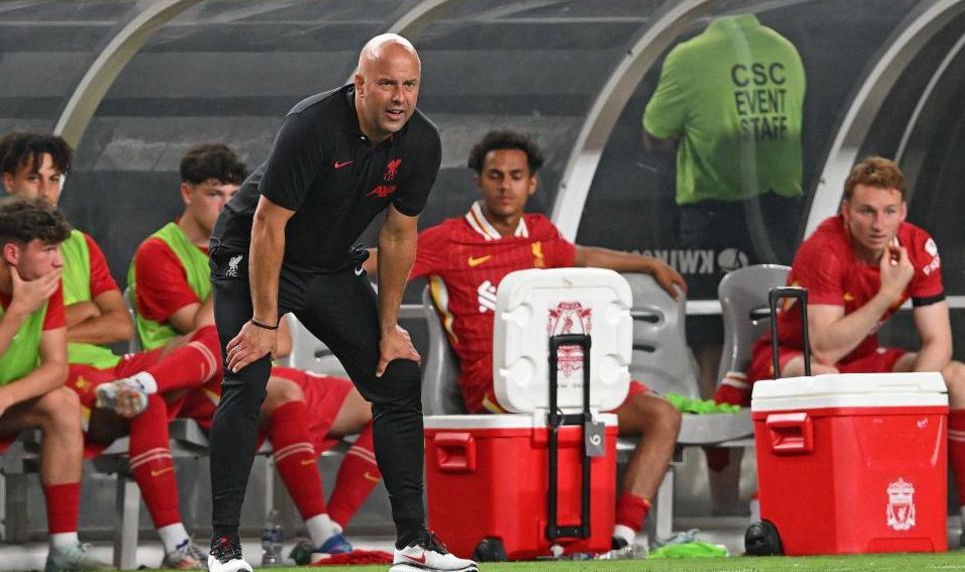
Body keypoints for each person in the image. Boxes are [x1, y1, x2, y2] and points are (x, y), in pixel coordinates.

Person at [206, 34, 474, 572]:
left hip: (327, 265)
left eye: (409, 85)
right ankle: (225, 547)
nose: (399, 97)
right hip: (253, 252)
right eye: (386, 84)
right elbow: (267, 223)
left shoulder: (421, 142)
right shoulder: (311, 125)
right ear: (360, 84)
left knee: (396, 374)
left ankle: (414, 545)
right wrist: (263, 320)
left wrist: (390, 324)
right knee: (249, 375)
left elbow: (399, 235)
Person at [364, 130, 686, 551]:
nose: (505, 185)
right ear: (478, 180)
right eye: (495, 175)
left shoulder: (540, 234)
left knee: (663, 415)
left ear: (531, 183)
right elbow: (382, 261)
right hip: (497, 385)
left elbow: (583, 256)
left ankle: (621, 537)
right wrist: (311, 263)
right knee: (558, 424)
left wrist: (647, 264)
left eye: (516, 176)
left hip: (565, 378)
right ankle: (541, 531)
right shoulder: (449, 240)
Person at [719, 156, 965, 551]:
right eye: (866, 211)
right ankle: (840, 515)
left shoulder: (918, 245)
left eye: (889, 211)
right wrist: (886, 293)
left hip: (861, 360)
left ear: (903, 212)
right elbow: (824, 346)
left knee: (957, 376)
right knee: (830, 380)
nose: (879, 224)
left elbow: (939, 341)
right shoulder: (823, 249)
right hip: (794, 359)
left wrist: (909, 406)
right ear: (845, 211)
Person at [130, 143, 379, 563]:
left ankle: (330, 533)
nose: (228, 205)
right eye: (215, 195)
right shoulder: (158, 251)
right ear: (187, 193)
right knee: (282, 395)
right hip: (193, 379)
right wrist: (230, 259)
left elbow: (280, 339)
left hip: (258, 364)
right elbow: (207, 330)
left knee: (385, 402)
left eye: (234, 196)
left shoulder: (256, 244)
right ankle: (321, 533)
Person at [1, 131, 219, 568]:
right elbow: (66, 353)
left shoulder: (66, 252)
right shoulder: (156, 249)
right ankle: (177, 545)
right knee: (281, 397)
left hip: (101, 373)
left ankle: (78, 549)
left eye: (56, 179)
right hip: (73, 380)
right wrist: (27, 314)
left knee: (217, 344)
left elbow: (117, 324)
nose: (47, 190)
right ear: (9, 182)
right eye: (35, 179)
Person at [642, 13, 806, 513]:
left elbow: (656, 135)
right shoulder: (785, 46)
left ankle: (723, 500)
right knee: (780, 343)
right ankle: (786, 490)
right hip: (780, 211)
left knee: (715, 347)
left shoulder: (689, 57)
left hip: (713, 213)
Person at [0, 197, 110, 572]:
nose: (59, 262)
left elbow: (56, 367)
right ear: (12, 253)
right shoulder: (29, 295)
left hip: (4, 403)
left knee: (62, 402)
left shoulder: (45, 285)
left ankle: (63, 548)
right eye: (47, 250)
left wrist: (7, 396)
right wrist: (17, 311)